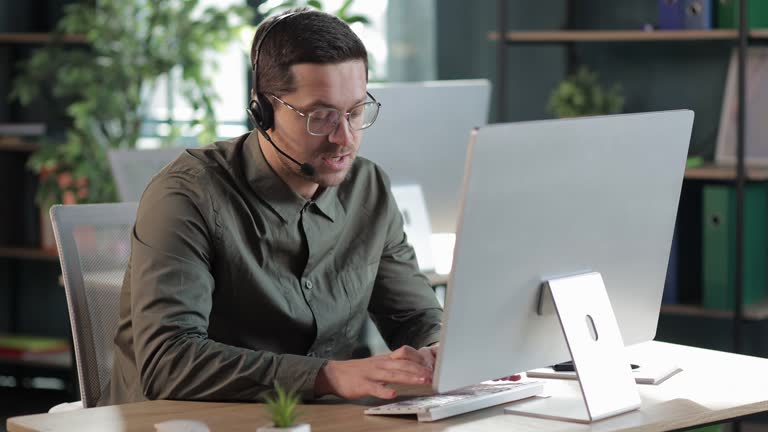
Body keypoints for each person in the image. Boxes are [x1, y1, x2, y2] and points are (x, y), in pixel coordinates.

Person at [102, 8, 443, 406]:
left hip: (322, 419)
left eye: (355, 112)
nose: (344, 137)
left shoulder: (369, 188)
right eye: (320, 116)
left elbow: (414, 317)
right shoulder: (186, 195)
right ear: (262, 110)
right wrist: (327, 376)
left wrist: (438, 349)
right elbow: (168, 363)